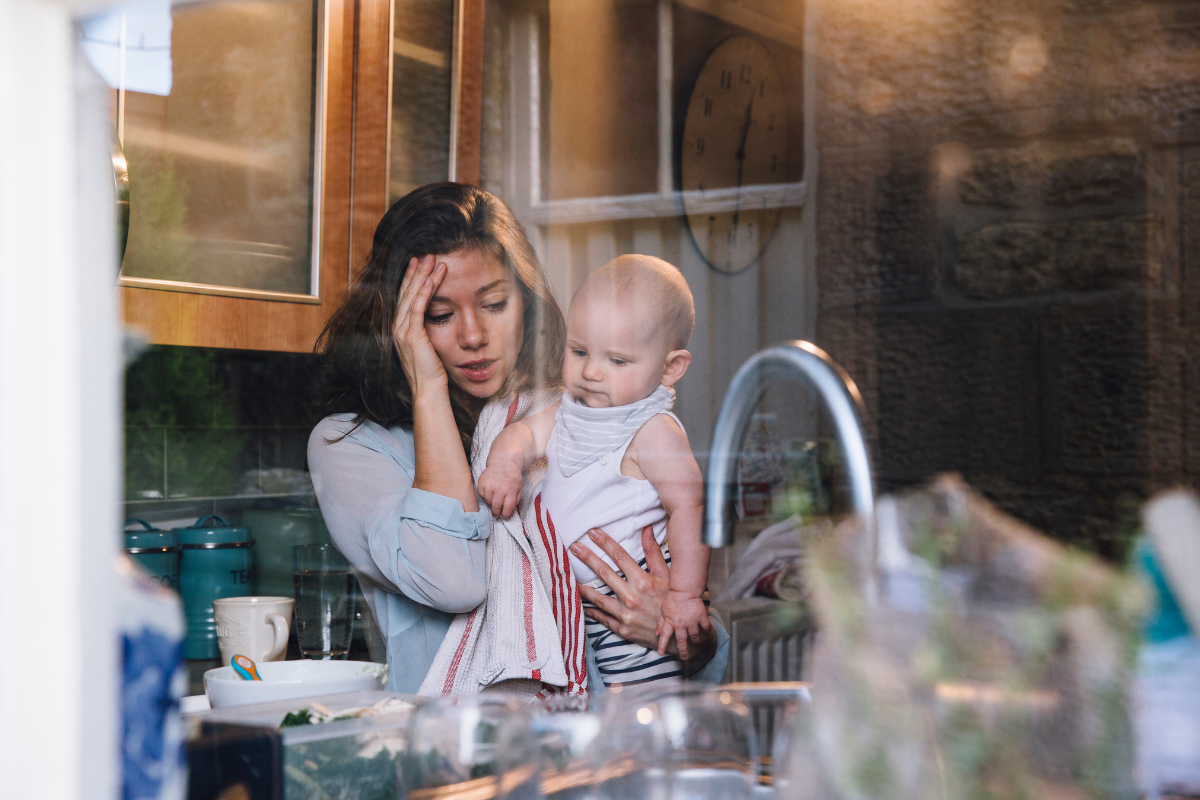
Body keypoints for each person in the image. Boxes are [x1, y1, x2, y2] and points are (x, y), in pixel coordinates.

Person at [307, 183, 727, 696]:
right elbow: (454, 579)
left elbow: (702, 642)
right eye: (438, 315)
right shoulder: (351, 446)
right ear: (398, 323)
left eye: (495, 304)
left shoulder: (577, 413)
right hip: (456, 754)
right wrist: (428, 386)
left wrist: (682, 631)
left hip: (599, 738)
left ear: (525, 304)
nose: (473, 335)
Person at [478, 255, 710, 687]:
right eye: (579, 351)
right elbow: (524, 435)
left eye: (618, 361)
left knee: (642, 709)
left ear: (670, 368)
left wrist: (683, 595)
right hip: (576, 607)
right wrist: (505, 464)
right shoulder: (570, 412)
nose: (590, 372)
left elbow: (691, 507)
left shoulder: (652, 429)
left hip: (631, 600)